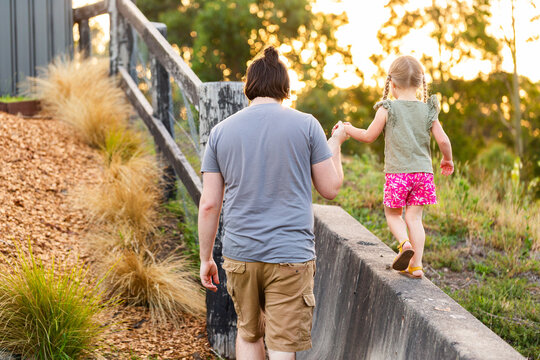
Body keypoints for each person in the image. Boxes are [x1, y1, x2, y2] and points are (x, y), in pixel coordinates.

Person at [198, 46, 348, 360]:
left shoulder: (220, 133)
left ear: (249, 86)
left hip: (242, 255)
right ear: (285, 85)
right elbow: (330, 188)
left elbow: (210, 204)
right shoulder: (306, 125)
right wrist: (335, 145)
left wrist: (206, 257)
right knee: (282, 346)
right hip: (290, 255)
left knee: (249, 334)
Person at [341, 55, 454, 278]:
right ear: (421, 83)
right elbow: (443, 141)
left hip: (398, 175)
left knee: (394, 215)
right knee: (415, 219)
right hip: (423, 175)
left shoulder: (387, 108)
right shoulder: (428, 110)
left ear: (392, 84)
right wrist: (447, 159)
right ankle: (417, 265)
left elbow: (368, 135)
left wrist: (349, 128)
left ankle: (404, 244)